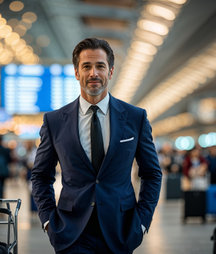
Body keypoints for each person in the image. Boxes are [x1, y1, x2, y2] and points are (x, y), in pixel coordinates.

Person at [31, 38, 162, 254]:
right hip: (71, 233)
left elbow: (152, 173)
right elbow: (40, 176)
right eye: (86, 66)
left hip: (121, 231)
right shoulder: (55, 121)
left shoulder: (135, 117)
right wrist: (48, 222)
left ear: (110, 72)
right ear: (76, 72)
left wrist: (142, 222)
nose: (93, 73)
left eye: (100, 66)